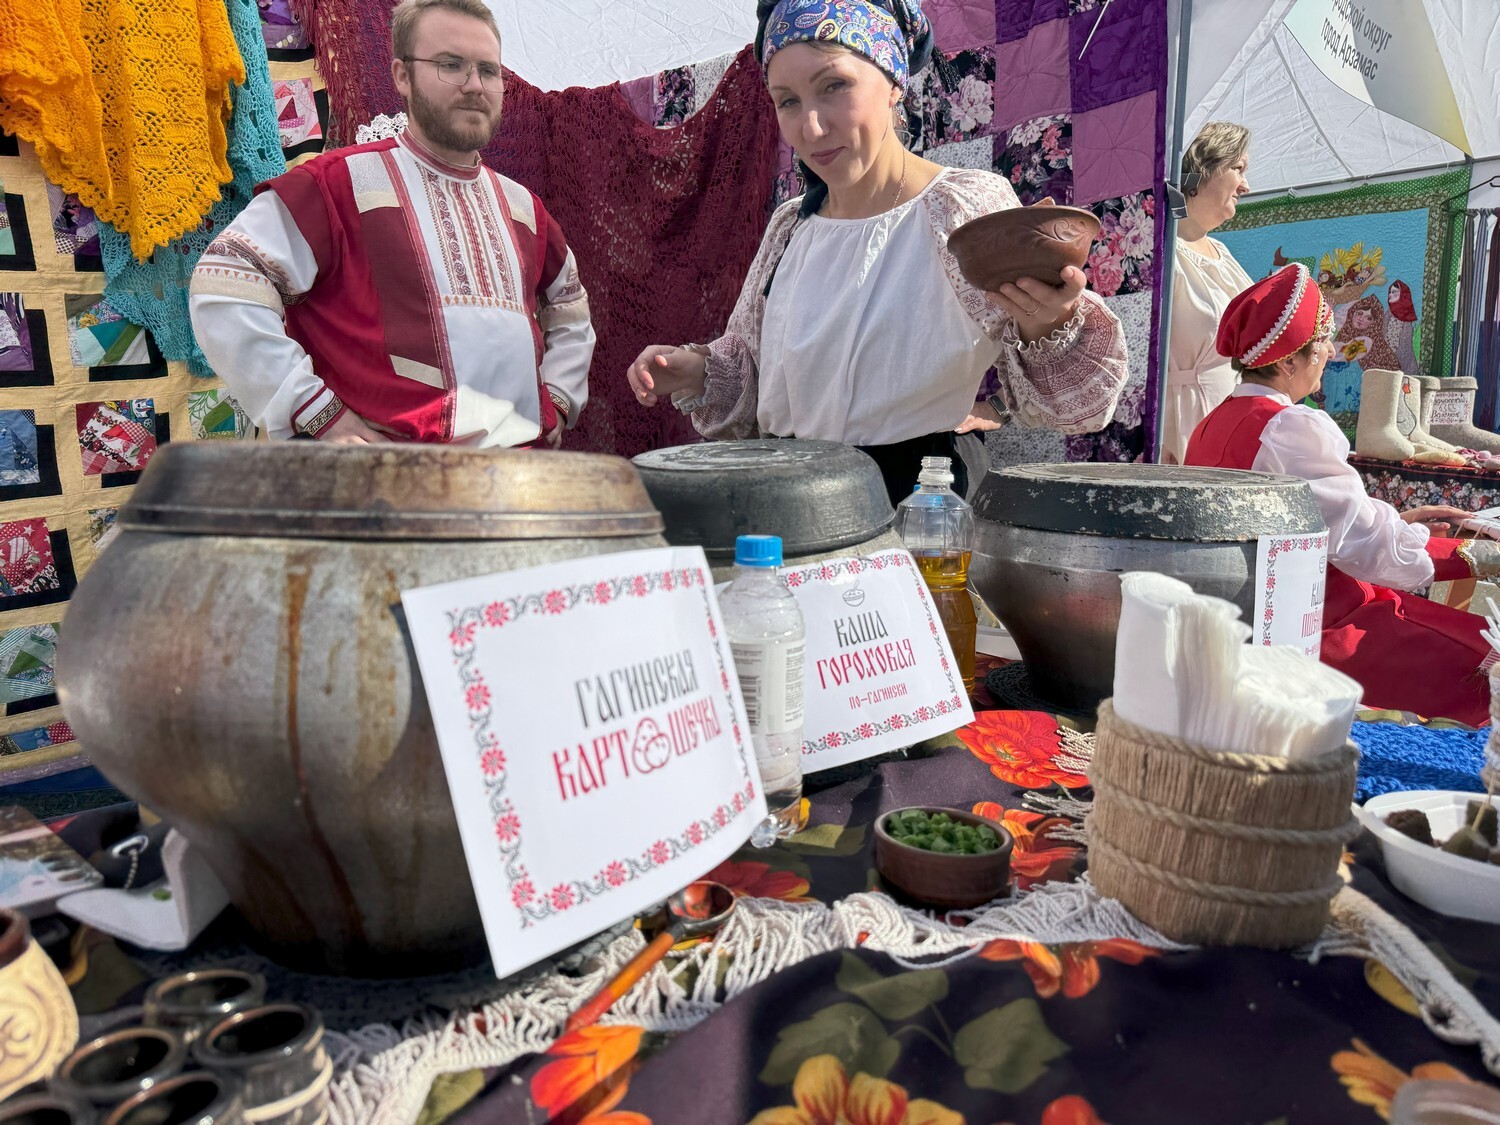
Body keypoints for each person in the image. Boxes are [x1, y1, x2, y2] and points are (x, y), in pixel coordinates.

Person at [625, 0, 1126, 503]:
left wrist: (1049, 323)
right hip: (789, 498)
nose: (811, 128)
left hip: (915, 503)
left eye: (834, 86)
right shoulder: (790, 226)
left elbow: (1074, 407)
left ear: (893, 83)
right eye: (788, 101)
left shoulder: (955, 209)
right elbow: (756, 377)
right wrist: (697, 370)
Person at [189, 0, 594, 447]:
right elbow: (223, 284)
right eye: (451, 65)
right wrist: (316, 412)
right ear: (402, 75)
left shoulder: (524, 209)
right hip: (386, 480)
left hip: (516, 480)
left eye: (488, 70)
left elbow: (570, 309)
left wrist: (558, 401)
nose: (474, 85)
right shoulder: (336, 185)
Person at [1185, 263, 1500, 725]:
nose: (1332, 352)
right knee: (1485, 661)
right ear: (1288, 362)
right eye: (1323, 342)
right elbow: (1365, 547)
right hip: (1317, 628)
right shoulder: (1290, 427)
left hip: (1253, 622)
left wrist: (1398, 523)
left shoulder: (1211, 424)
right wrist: (1474, 554)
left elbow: (1311, 520)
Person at [1161, 121, 1255, 465]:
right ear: (1201, 169)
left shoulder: (1223, 253)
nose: (1246, 185)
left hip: (1230, 426)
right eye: (1238, 168)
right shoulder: (1161, 253)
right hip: (1182, 430)